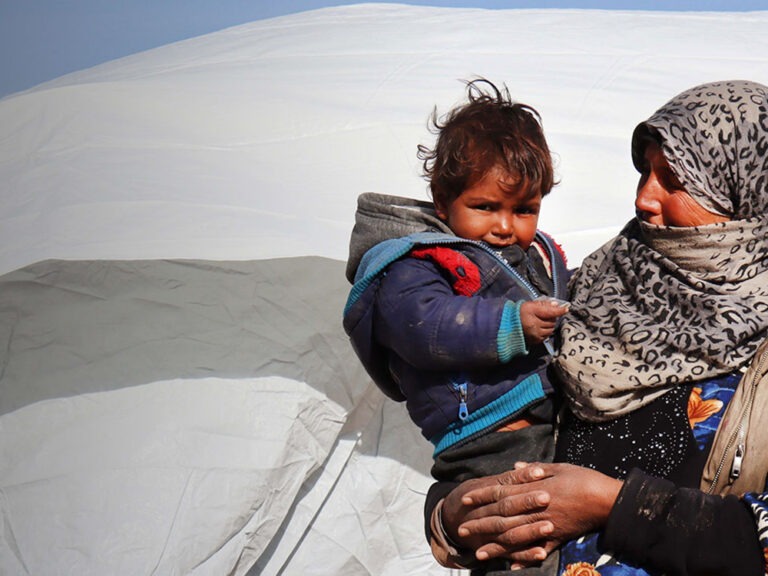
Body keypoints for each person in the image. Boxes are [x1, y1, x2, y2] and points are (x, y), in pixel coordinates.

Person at [426, 79, 768, 576]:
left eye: (675, 181)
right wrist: (452, 513)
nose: (645, 199)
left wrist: (614, 505)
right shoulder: (593, 287)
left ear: (746, 193)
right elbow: (485, 424)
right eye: (644, 173)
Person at [343, 80, 570, 554]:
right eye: (485, 207)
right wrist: (513, 325)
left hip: (542, 420)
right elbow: (426, 328)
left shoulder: (533, 256)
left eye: (525, 210)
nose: (505, 226)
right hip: (485, 435)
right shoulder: (417, 263)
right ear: (443, 203)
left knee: (560, 529)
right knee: (519, 535)